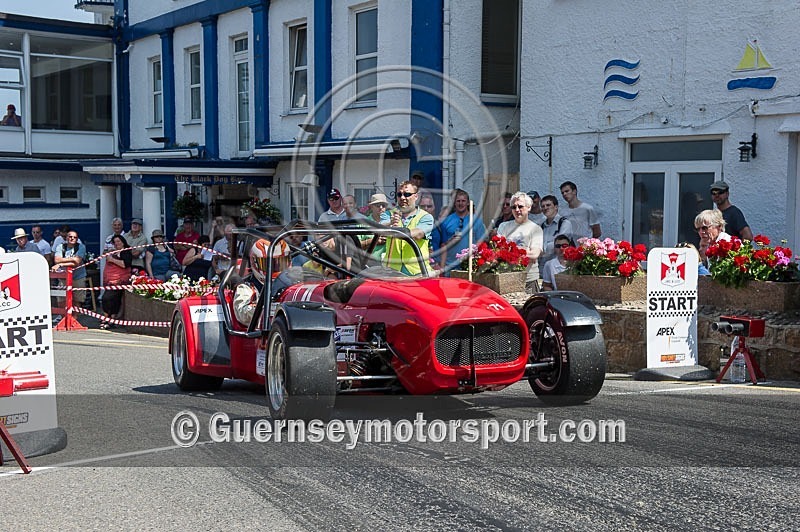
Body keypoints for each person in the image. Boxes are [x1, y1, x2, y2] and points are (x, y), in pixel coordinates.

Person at [233, 238, 290, 326]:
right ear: (254, 263)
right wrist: (268, 309)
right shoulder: (246, 287)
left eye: (280, 263)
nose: (274, 268)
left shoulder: (294, 284)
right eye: (268, 264)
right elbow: (242, 313)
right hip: (262, 330)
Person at [384, 181, 434, 275]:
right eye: (399, 194)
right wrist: (390, 223)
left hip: (418, 272)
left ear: (416, 196)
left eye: (407, 194)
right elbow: (379, 229)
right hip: (392, 271)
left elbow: (418, 234)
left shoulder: (426, 217)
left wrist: (397, 230)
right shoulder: (388, 214)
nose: (402, 198)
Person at [497, 191, 543, 292]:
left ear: (529, 207)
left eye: (520, 206)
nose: (517, 210)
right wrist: (524, 251)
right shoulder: (503, 226)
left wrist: (509, 253)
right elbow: (498, 251)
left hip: (528, 280)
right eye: (514, 207)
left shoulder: (536, 229)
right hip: (507, 278)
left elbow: (534, 254)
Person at [436, 189, 486, 274]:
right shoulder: (446, 221)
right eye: (458, 201)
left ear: (468, 203)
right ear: (454, 203)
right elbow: (443, 246)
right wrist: (442, 269)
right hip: (450, 267)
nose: (461, 203)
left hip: (470, 266)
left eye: (463, 201)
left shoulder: (476, 221)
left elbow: (482, 244)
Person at [101, 234, 132, 329]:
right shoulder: (112, 252)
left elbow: (125, 265)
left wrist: (112, 260)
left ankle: (108, 318)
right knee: (113, 300)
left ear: (123, 242)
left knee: (107, 298)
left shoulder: (126, 252)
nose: (117, 243)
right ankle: (110, 319)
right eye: (115, 242)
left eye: (118, 241)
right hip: (109, 280)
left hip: (120, 280)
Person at [51, 230, 87, 308]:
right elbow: (56, 260)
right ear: (66, 238)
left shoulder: (81, 247)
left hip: (78, 277)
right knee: (61, 301)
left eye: (74, 237)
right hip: (63, 278)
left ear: (77, 239)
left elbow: (77, 262)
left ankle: (74, 316)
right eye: (70, 237)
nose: (72, 238)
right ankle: (64, 316)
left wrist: (61, 264)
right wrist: (73, 259)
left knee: (77, 301)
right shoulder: (60, 247)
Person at [538, 195, 574, 271]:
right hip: (543, 266)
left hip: (559, 267)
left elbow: (560, 244)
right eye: (543, 206)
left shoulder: (564, 223)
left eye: (548, 205)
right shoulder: (542, 226)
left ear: (556, 207)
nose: (545, 208)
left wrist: (542, 251)